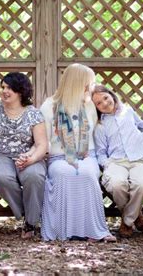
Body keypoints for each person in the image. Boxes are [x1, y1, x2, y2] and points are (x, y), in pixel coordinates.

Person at [40, 63, 116, 242]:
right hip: (59, 157)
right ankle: (62, 231)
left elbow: (117, 113)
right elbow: (45, 140)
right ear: (77, 83)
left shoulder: (90, 105)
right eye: (89, 83)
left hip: (87, 155)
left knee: (88, 173)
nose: (92, 87)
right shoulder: (50, 106)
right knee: (63, 172)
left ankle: (94, 231)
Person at [0, 72, 47, 239]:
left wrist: (30, 159)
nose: (4, 91)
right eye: (3, 87)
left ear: (21, 90)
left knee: (35, 176)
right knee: (1, 176)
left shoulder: (33, 113)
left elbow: (41, 144)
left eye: (9, 88)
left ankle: (30, 223)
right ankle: (27, 212)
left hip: (28, 155)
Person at [92, 85, 143, 238]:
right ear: (96, 108)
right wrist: (107, 165)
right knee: (116, 184)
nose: (105, 103)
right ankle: (136, 214)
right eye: (99, 103)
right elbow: (100, 152)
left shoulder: (128, 112)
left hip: (138, 159)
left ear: (111, 95)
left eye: (105, 98)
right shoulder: (100, 126)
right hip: (116, 161)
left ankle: (126, 221)